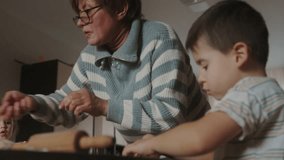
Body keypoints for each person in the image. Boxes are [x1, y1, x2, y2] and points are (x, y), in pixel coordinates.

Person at [0, 0, 209, 144]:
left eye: (88, 11)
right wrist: (33, 103)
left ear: (121, 8)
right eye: (79, 14)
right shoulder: (89, 57)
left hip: (204, 147)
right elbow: (66, 103)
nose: (81, 21)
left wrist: (102, 106)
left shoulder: (160, 37)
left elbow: (170, 116)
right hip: (151, 150)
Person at [122, 0, 284, 159]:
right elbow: (208, 155)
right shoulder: (262, 96)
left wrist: (154, 143)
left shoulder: (252, 91)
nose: (200, 79)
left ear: (239, 55)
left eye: (205, 66)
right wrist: (164, 149)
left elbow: (199, 138)